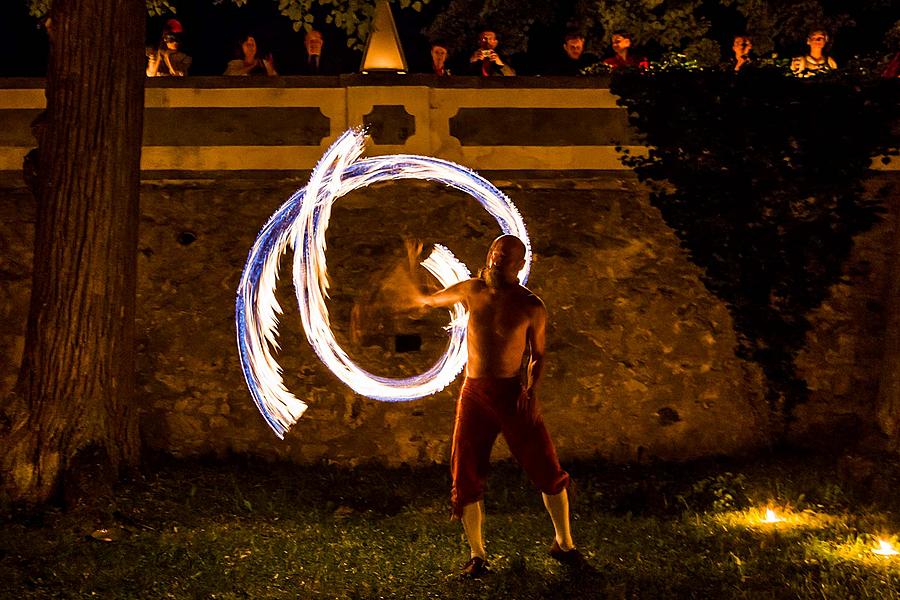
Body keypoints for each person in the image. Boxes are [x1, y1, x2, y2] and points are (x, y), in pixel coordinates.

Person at [398, 235, 582, 578]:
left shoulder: (531, 305)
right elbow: (423, 301)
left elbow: (538, 355)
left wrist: (532, 391)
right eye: (494, 255)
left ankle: (565, 544)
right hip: (474, 395)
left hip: (512, 394)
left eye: (505, 259)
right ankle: (478, 556)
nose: (496, 263)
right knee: (465, 472)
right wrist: (412, 264)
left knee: (546, 466)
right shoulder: (473, 290)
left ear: (520, 264)